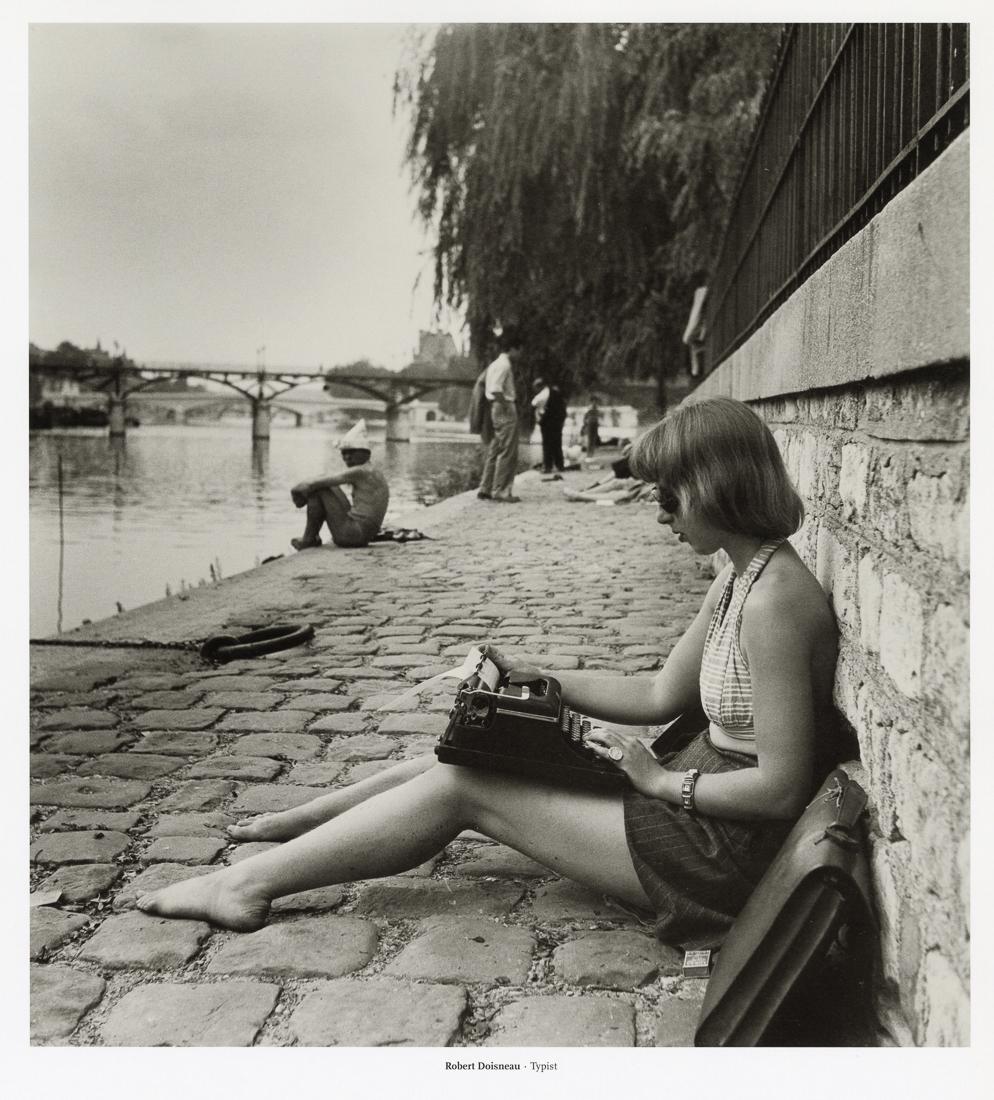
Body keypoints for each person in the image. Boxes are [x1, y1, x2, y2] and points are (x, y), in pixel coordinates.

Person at [136, 396, 838, 951]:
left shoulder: (775, 603)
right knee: (476, 751)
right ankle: (302, 827)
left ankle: (246, 885)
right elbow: (660, 693)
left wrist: (659, 782)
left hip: (717, 852)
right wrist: (540, 675)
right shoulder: (740, 576)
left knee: (463, 786)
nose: (659, 516)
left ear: (714, 489)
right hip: (700, 808)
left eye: (668, 498)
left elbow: (780, 790)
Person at [289, 419, 389, 550]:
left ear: (366, 453)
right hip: (362, 534)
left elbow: (312, 483)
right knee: (323, 485)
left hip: (353, 535)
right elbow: (326, 479)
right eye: (344, 453)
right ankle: (310, 537)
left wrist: (297, 493)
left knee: (321, 488)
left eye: (351, 453)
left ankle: (308, 539)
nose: (347, 457)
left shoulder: (361, 471)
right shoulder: (372, 470)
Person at [476, 328, 524, 503]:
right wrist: (507, 407)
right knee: (508, 450)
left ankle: (485, 487)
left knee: (495, 448)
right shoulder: (505, 365)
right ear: (513, 349)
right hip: (504, 407)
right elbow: (496, 390)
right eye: (520, 350)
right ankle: (501, 490)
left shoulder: (495, 364)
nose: (521, 354)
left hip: (495, 408)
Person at [531, 377, 567, 475]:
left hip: (548, 422)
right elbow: (562, 407)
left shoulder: (543, 394)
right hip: (557, 422)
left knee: (547, 444)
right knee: (557, 443)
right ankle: (560, 465)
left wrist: (539, 417)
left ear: (539, 387)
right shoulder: (555, 392)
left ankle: (548, 466)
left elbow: (534, 403)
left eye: (535, 388)